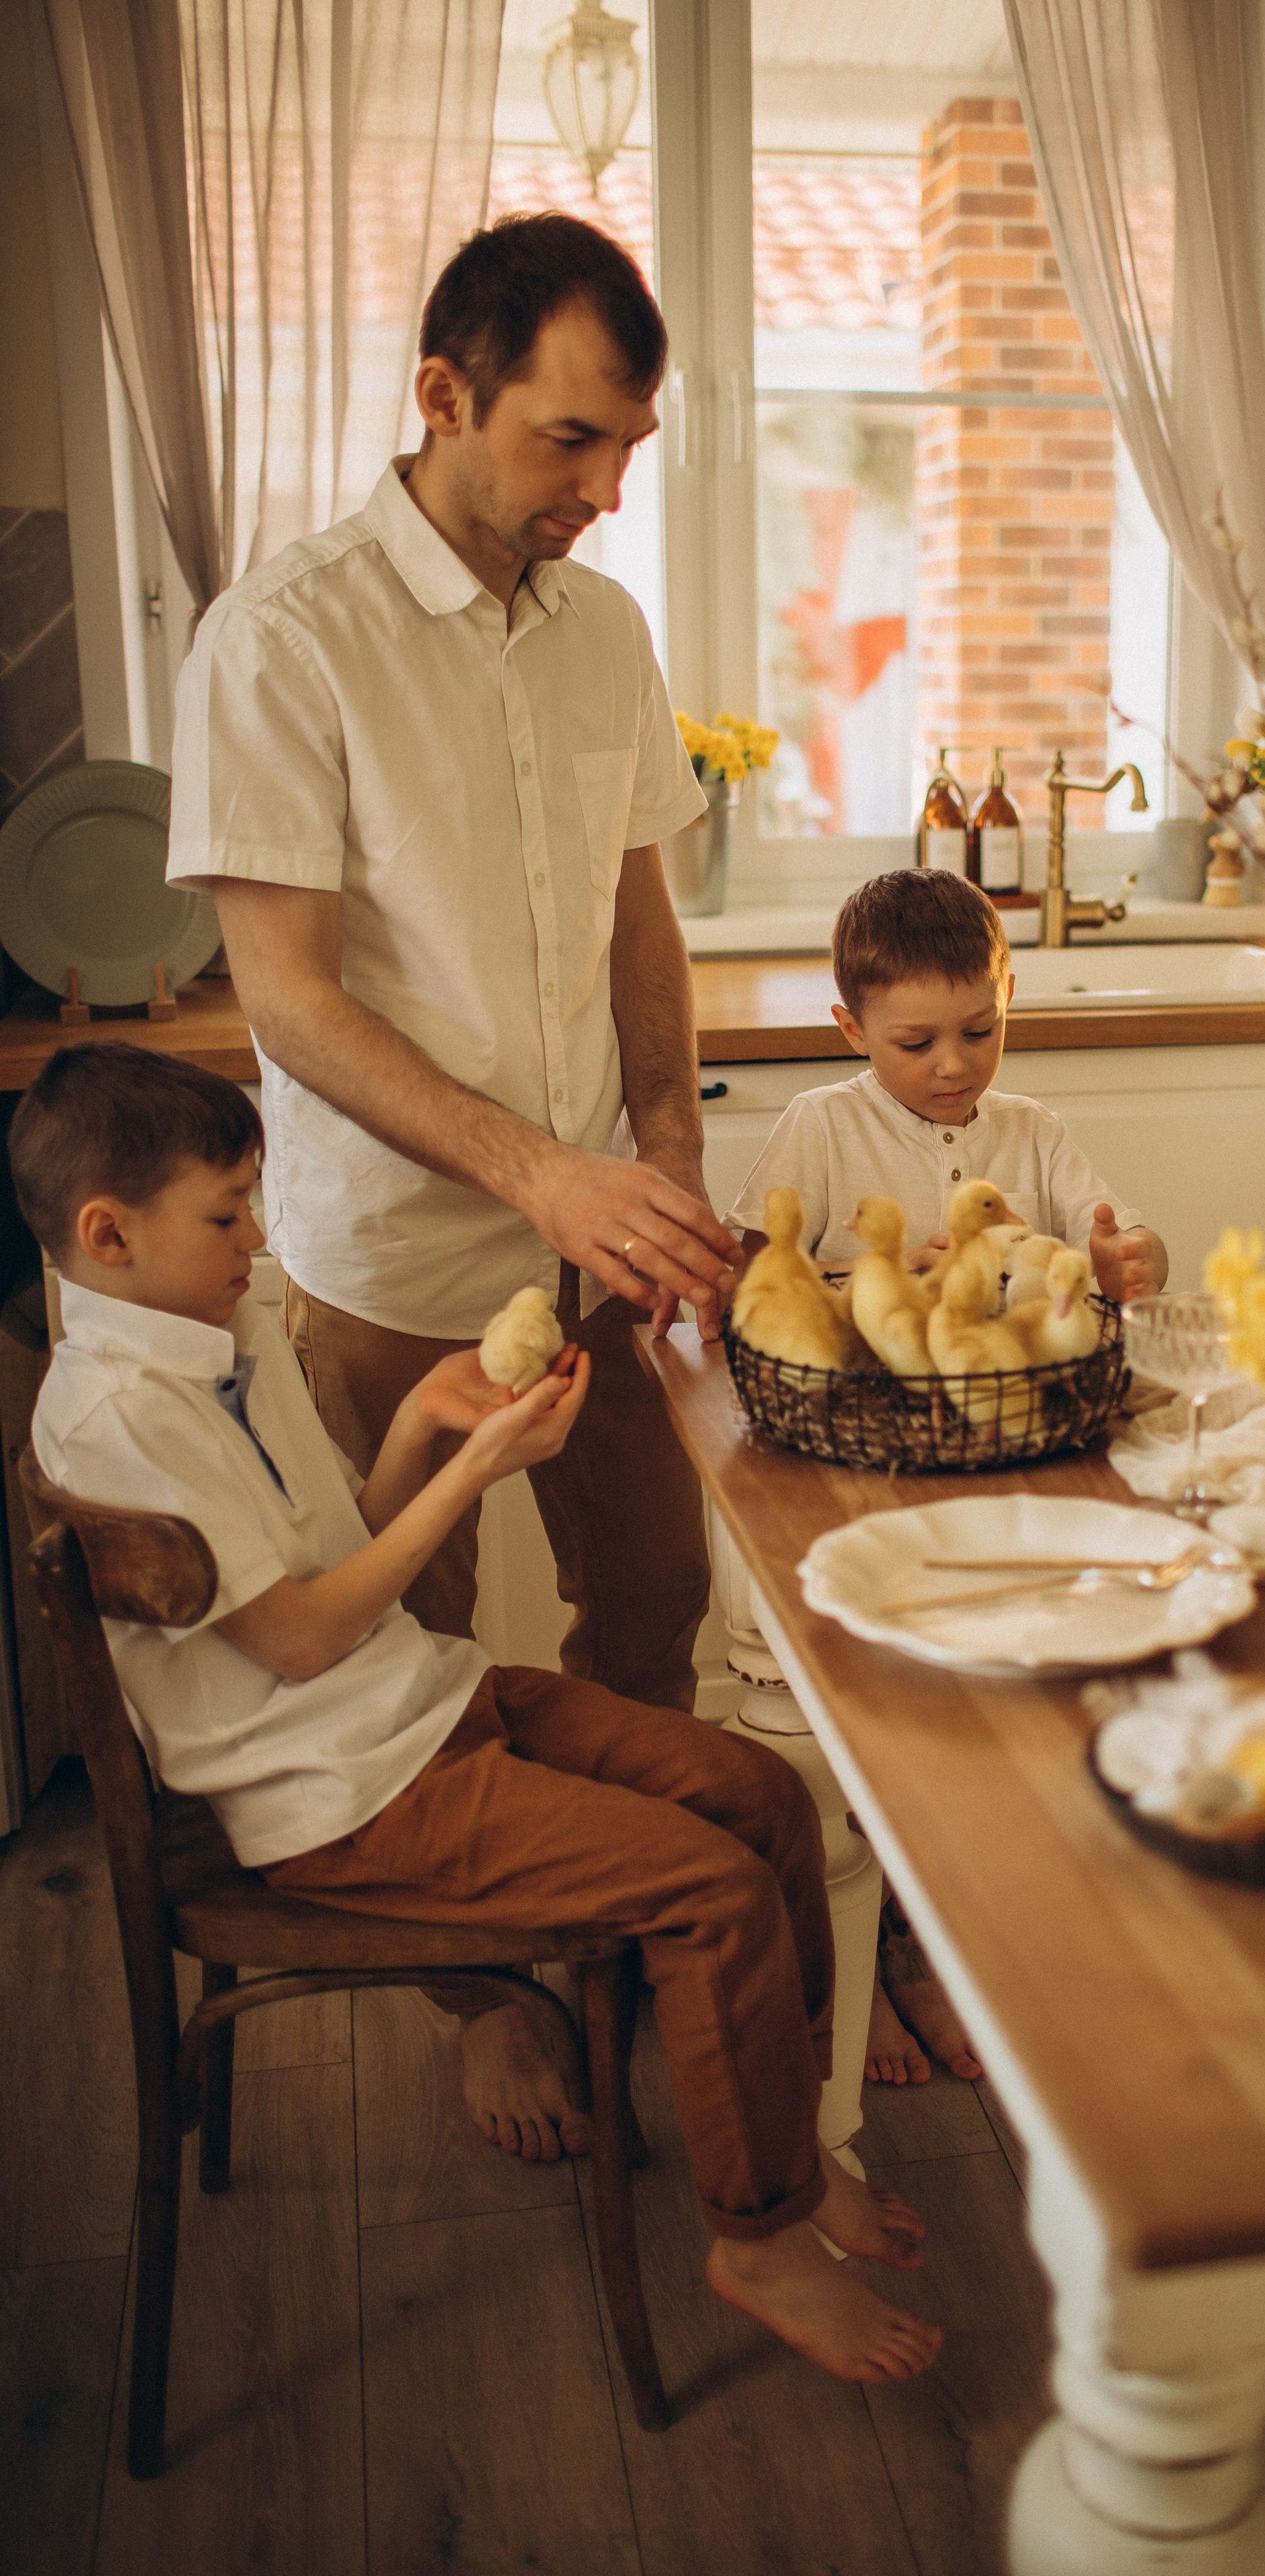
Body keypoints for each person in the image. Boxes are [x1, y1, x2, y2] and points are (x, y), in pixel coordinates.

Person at [15, 1045, 942, 2387]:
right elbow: (299, 1636)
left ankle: (789, 2148)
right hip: (337, 1799)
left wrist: (433, 1433)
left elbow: (346, 1543)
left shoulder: (229, 1333)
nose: (254, 1239)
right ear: (108, 1234)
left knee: (760, 1798)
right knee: (712, 1892)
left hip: (420, 1705)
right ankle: (760, 2237)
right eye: (225, 1214)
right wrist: (482, 1475)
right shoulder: (112, 1413)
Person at [166, 211, 736, 2153]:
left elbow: (638, 910)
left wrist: (658, 1149)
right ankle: (486, 1996)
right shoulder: (283, 636)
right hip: (391, 1260)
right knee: (406, 1668)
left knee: (652, 1604)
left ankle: (643, 1929)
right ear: (443, 397)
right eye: (571, 442)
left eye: (629, 451)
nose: (604, 492)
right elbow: (288, 1000)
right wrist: (537, 1173)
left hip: (603, 1249)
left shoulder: (609, 634)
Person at [726, 868, 1169, 2086]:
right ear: (850, 1030)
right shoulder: (819, 1128)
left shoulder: (1033, 1136)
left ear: (1009, 997)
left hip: (1006, 1469)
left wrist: (1131, 1257)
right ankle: (847, 1973)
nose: (954, 1067)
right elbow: (748, 1283)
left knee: (974, 1723)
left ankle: (930, 1951)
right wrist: (879, 1288)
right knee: (863, 1715)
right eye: (915, 1042)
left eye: (982, 1030)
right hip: (849, 1482)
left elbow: (1112, 1245)